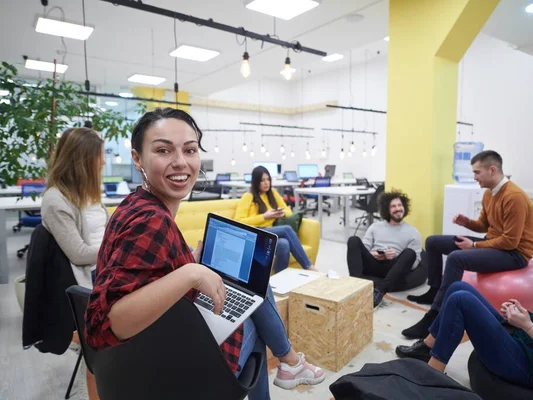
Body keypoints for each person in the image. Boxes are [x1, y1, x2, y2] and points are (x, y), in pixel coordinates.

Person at [84, 108, 324, 399]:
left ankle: (290, 362)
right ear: (138, 158)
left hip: (149, 355)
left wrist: (188, 261)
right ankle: (291, 362)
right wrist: (191, 272)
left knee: (249, 295)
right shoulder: (151, 221)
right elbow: (105, 324)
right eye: (163, 150)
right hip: (175, 373)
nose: (180, 162)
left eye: (190, 150)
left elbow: (139, 275)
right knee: (255, 309)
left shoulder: (134, 205)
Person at [396, 227, 533, 392]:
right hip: (525, 345)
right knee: (459, 287)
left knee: (460, 300)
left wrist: (528, 326)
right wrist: (524, 316)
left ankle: (431, 379)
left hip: (532, 367)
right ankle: (427, 348)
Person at [402, 150, 533, 339]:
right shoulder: (489, 194)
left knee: (456, 259)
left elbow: (510, 241)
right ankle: (434, 290)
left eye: (476, 172)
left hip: (514, 253)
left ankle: (436, 315)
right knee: (432, 242)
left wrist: (473, 246)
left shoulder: (514, 197)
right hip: (494, 244)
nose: (474, 177)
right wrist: (466, 222)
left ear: (492, 170)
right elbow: (483, 226)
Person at [42, 127, 109, 289]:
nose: (104, 161)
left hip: (109, 266)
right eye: (100, 155)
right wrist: (119, 252)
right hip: (92, 274)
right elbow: (79, 254)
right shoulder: (56, 200)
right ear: (84, 161)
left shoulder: (89, 193)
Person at [234, 166, 318, 274]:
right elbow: (238, 221)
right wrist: (264, 216)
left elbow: (288, 211)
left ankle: (279, 279)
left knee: (284, 244)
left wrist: (281, 213)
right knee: (286, 229)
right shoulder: (248, 196)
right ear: (256, 182)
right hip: (254, 233)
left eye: (268, 179)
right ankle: (308, 266)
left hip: (270, 232)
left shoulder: (272, 193)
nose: (266, 183)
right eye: (262, 180)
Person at [347, 190, 422, 308]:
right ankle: (356, 284)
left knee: (410, 253)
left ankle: (380, 291)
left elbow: (415, 263)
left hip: (394, 268)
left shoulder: (413, 232)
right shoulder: (375, 227)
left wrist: (397, 256)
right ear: (387, 209)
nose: (398, 208)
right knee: (353, 240)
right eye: (393, 206)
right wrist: (372, 254)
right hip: (374, 264)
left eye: (400, 205)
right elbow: (364, 250)